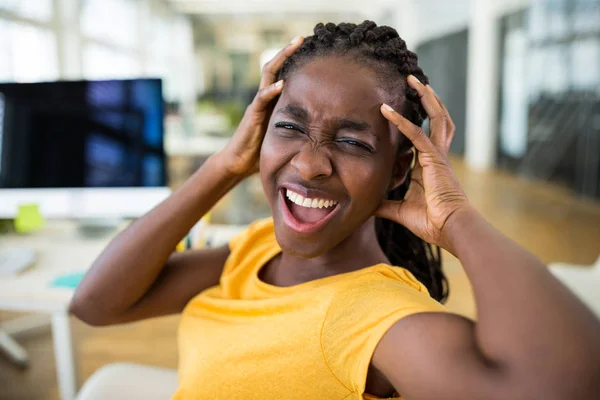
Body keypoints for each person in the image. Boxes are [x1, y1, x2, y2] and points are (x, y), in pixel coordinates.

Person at [70, 21, 600, 399]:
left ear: (398, 172)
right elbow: (96, 304)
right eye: (290, 126)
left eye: (352, 142)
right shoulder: (257, 247)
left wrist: (456, 219)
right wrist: (224, 167)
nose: (311, 163)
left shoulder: (373, 317)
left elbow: (561, 386)